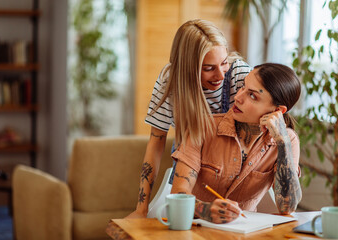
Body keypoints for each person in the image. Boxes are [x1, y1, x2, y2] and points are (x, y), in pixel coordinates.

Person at [126, 19, 251, 218]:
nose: (220, 75)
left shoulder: (239, 75)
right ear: (188, 67)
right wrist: (141, 209)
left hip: (233, 176)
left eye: (224, 62)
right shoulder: (171, 81)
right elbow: (156, 142)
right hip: (187, 175)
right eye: (208, 68)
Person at [170, 63, 302, 224]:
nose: (238, 97)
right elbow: (177, 194)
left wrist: (283, 144)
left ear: (278, 111)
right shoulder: (203, 127)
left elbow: (287, 207)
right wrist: (204, 210)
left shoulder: (288, 141)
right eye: (243, 87)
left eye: (252, 96)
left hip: (245, 233)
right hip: (196, 228)